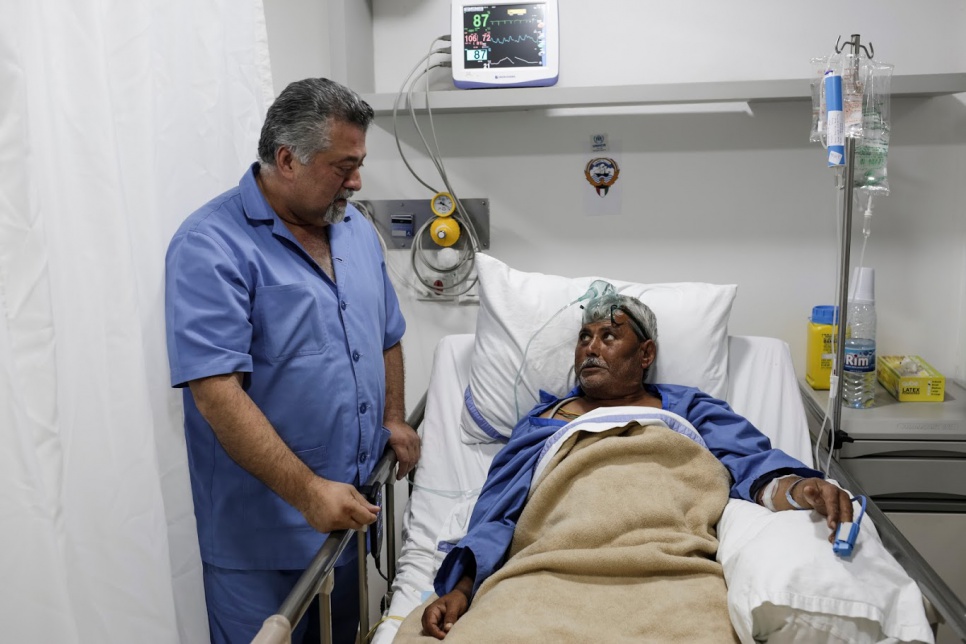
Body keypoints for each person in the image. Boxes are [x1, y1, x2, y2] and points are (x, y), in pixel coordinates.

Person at [419, 293, 853, 640]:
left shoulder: (688, 408)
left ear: (646, 354)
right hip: (546, 566)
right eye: (584, 337)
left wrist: (799, 489)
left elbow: (752, 462)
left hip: (674, 567)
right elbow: (498, 510)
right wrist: (462, 590)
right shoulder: (543, 421)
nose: (591, 348)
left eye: (609, 336)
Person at [164, 78, 420, 644]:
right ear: (287, 160)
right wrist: (308, 493)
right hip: (261, 545)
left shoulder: (354, 229)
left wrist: (394, 417)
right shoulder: (211, 245)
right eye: (343, 166)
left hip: (349, 520)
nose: (357, 181)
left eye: (360, 164)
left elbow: (386, 333)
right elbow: (217, 394)